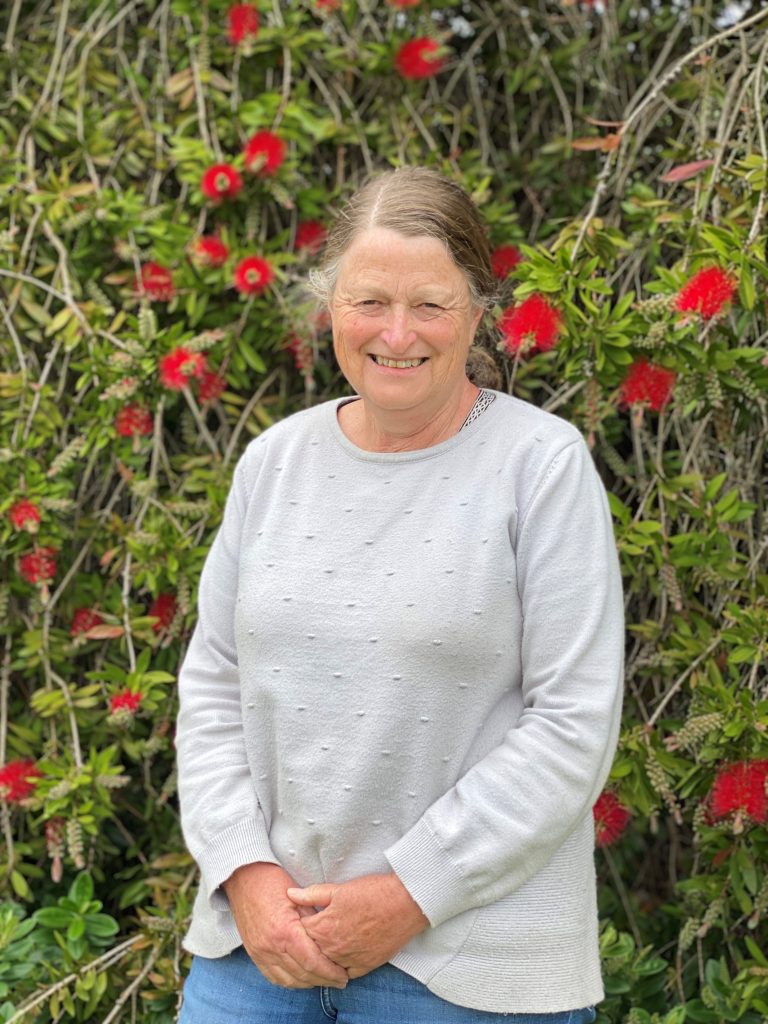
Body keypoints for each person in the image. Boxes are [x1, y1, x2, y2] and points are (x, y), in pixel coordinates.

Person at [175, 165, 625, 1024]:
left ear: (479, 312)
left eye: (431, 304)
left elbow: (572, 723)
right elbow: (212, 689)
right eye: (369, 300)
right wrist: (246, 874)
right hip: (258, 953)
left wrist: (410, 893)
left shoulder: (543, 466)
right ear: (329, 305)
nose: (397, 333)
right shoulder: (273, 462)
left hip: (469, 966)